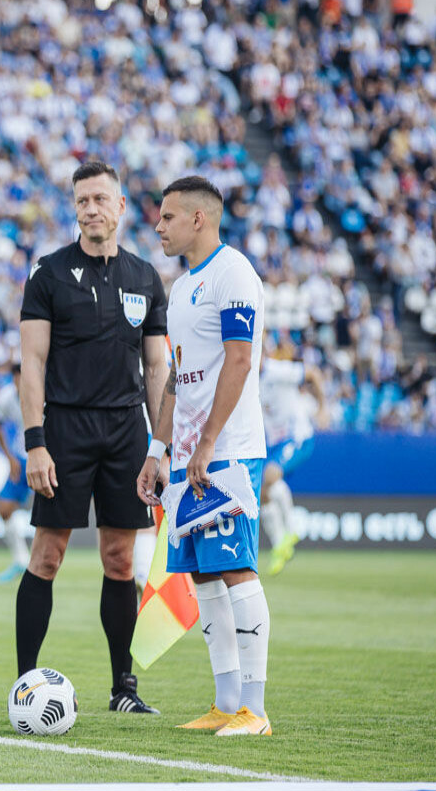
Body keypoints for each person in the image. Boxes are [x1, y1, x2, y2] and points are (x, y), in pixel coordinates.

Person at [16, 160, 168, 714]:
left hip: (127, 431)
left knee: (120, 559)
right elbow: (31, 363)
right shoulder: (49, 274)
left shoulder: (145, 278)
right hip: (66, 430)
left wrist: (160, 446)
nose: (91, 209)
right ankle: (24, 684)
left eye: (101, 199)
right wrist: (36, 441)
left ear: (121, 206)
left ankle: (123, 688)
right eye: (82, 201)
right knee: (48, 555)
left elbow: (157, 369)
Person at [137, 175, 272, 737]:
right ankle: (225, 700)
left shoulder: (233, 273)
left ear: (199, 218)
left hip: (229, 451)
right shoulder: (184, 285)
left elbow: (238, 362)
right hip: (189, 455)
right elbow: (175, 381)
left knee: (236, 569)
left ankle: (255, 710)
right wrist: (157, 450)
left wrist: (210, 442)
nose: (159, 227)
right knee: (205, 578)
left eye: (168, 217)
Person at [260, 353, 324, 574]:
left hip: (298, 436)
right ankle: (280, 544)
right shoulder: (247, 379)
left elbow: (313, 374)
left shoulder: (277, 370)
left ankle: (292, 529)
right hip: (275, 444)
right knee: (261, 490)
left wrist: (322, 408)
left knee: (270, 475)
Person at [0, 363, 30, 584]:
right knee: (4, 509)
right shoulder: (6, 397)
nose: (19, 382)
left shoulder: (46, 392)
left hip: (49, 458)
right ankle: (21, 560)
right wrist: (9, 457)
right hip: (22, 460)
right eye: (16, 378)